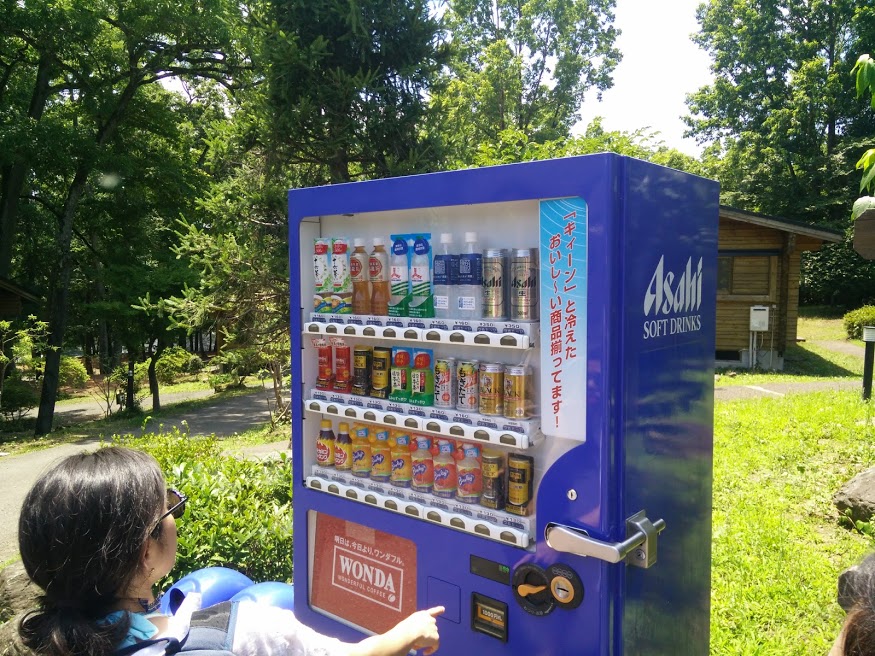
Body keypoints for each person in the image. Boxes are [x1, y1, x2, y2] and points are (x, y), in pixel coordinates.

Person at [17, 446, 443, 656]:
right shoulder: (245, 630)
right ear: (145, 553)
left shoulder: (56, 642)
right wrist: (406, 633)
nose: (174, 515)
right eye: (168, 507)